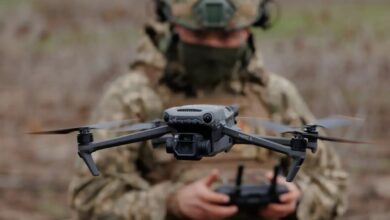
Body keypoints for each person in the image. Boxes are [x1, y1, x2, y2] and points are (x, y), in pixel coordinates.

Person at [69, 0, 347, 219]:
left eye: (227, 37)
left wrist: (296, 199)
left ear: (248, 30)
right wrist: (171, 202)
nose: (213, 46)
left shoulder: (276, 95)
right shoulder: (134, 97)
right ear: (173, 26)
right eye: (199, 35)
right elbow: (90, 197)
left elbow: (333, 184)